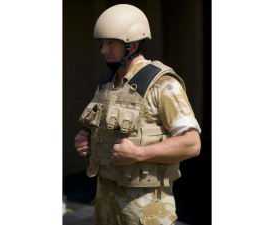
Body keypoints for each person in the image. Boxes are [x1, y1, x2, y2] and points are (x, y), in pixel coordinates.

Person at [74, 4, 201, 225]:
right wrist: (86, 138)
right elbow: (101, 129)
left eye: (110, 44)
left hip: (145, 207)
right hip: (106, 202)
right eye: (102, 44)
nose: (103, 50)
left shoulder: (162, 85)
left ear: (131, 45)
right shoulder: (108, 86)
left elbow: (192, 144)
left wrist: (140, 153)